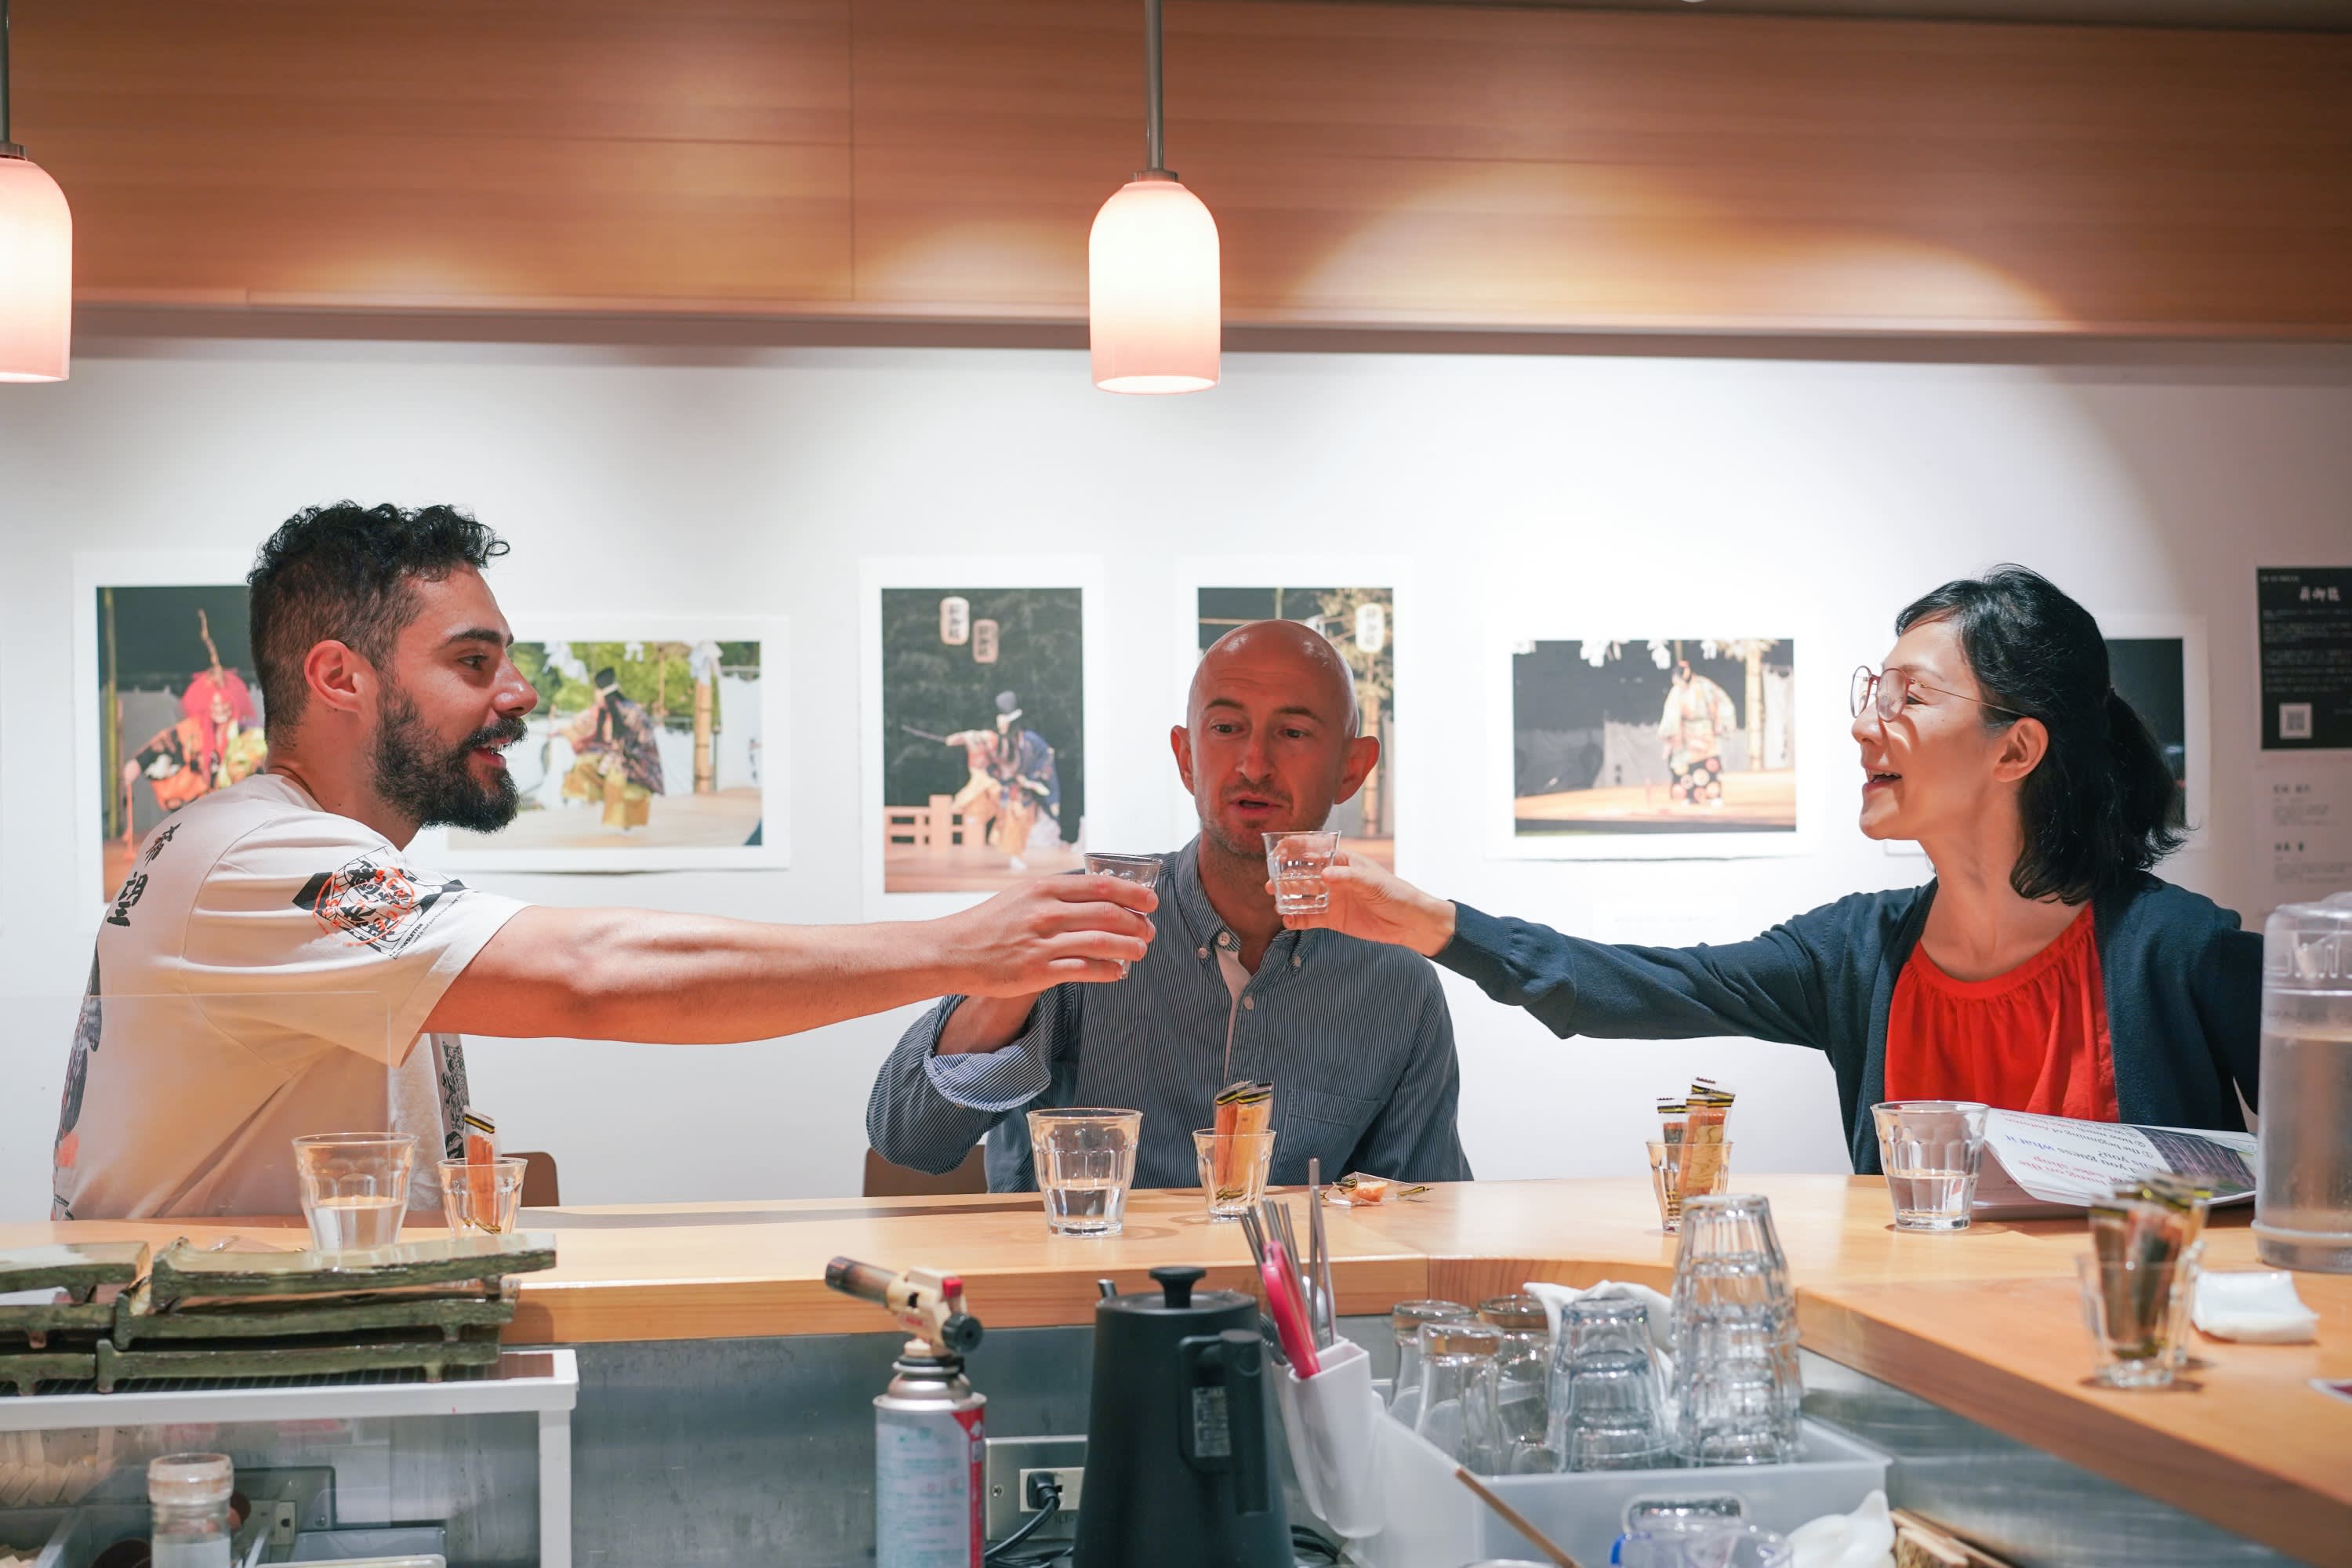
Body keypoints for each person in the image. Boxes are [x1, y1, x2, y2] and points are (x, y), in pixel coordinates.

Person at [53, 503, 1156, 1221]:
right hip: (202, 1430)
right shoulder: (256, 858)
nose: (521, 694)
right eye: (473, 662)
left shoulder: (269, 850)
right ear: (341, 677)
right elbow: (593, 974)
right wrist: (958, 947)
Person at [1279, 567, 2259, 1172]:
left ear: (2017, 749)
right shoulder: (1859, 953)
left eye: (1909, 696)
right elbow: (1636, 984)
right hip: (1933, 1389)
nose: (1863, 723)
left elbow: (2315, 1173)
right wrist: (1427, 920)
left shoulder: (2177, 952)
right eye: (1871, 691)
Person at [867, 619, 1471, 1192]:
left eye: (1293, 733)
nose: (1254, 764)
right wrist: (1016, 985)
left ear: (1352, 769)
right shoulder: (1086, 923)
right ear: (1186, 757)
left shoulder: (1395, 982)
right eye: (1227, 728)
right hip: (1085, 1267)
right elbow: (908, 1137)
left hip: (1281, 1271)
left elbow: (1422, 1211)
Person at [560, 666, 666, 830]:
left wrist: (614, 756)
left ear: (603, 694)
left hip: (637, 762)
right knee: (585, 762)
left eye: (597, 692)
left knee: (616, 775)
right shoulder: (602, 711)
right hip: (615, 756)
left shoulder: (629, 711)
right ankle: (594, 797)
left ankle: (623, 823)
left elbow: (633, 745)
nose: (595, 696)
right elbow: (583, 726)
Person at [1657, 658, 1735, 808]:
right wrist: (1670, 734)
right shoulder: (1676, 691)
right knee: (1687, 766)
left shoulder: (1705, 685)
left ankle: (1714, 795)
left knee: (1709, 763)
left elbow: (1723, 701)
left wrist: (1721, 722)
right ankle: (1691, 796)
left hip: (1705, 729)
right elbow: (1671, 713)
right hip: (1686, 732)